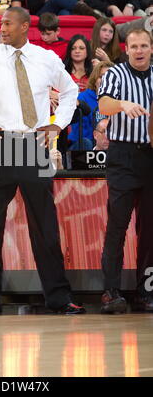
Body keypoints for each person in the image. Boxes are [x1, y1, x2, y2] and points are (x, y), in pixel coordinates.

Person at [0, 6, 86, 315]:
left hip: (34, 144)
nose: (1, 27)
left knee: (45, 226)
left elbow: (71, 89)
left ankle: (59, 299)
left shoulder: (46, 58)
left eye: (7, 23)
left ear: (25, 26)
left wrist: (57, 123)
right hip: (0, 144)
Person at [98, 28, 153, 313]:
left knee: (150, 229)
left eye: (144, 45)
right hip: (123, 155)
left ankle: (146, 291)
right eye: (134, 46)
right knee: (117, 225)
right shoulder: (116, 74)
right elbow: (103, 105)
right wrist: (123, 104)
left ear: (151, 48)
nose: (139, 50)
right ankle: (111, 290)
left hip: (151, 156)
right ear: (127, 49)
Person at [68, 60, 112, 148]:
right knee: (86, 143)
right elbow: (79, 132)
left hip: (110, 144)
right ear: (95, 80)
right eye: (101, 76)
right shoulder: (82, 98)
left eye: (109, 77)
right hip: (85, 145)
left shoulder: (120, 100)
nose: (105, 80)